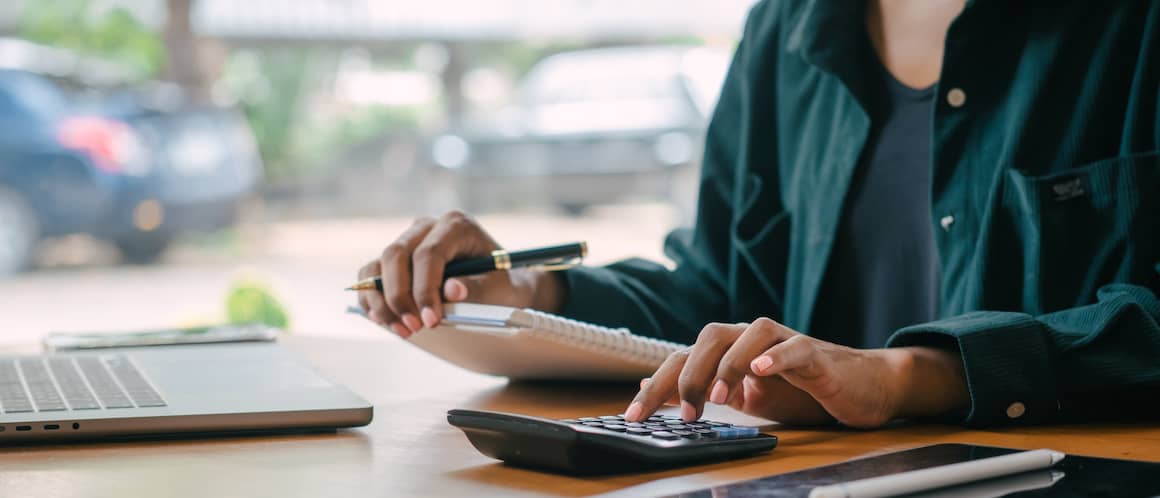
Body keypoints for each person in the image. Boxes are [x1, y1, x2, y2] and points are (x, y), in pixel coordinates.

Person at [357, 0, 1160, 428]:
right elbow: (722, 297)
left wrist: (912, 377)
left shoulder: (1132, 25)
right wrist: (534, 297)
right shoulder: (786, 26)